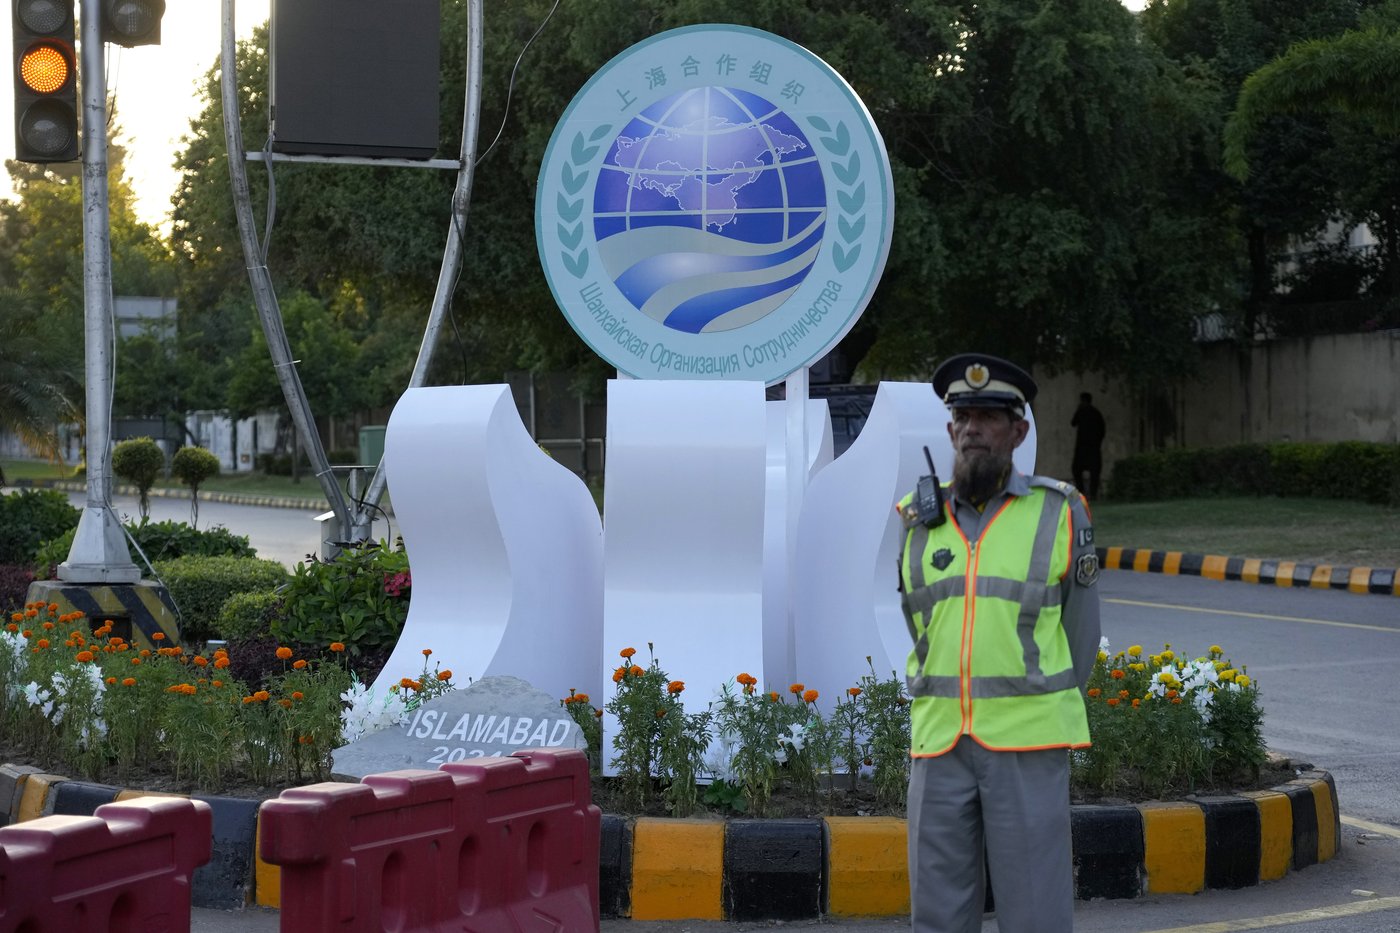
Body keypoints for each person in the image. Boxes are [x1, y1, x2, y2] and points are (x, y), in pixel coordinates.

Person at [896, 353, 1100, 933]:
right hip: (939, 745)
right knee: (937, 916)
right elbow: (920, 623)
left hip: (1027, 745)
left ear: (1019, 430)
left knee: (1035, 912)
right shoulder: (918, 519)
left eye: (989, 416)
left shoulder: (1059, 513)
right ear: (949, 429)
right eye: (963, 415)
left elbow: (1080, 636)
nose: (973, 428)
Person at [1070, 392, 1106, 499]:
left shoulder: (1082, 411)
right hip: (1093, 447)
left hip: (1084, 447)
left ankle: (1082, 493)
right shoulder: (1096, 413)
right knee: (1094, 472)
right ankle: (1092, 493)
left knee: (1078, 470)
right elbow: (1103, 430)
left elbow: (1073, 423)